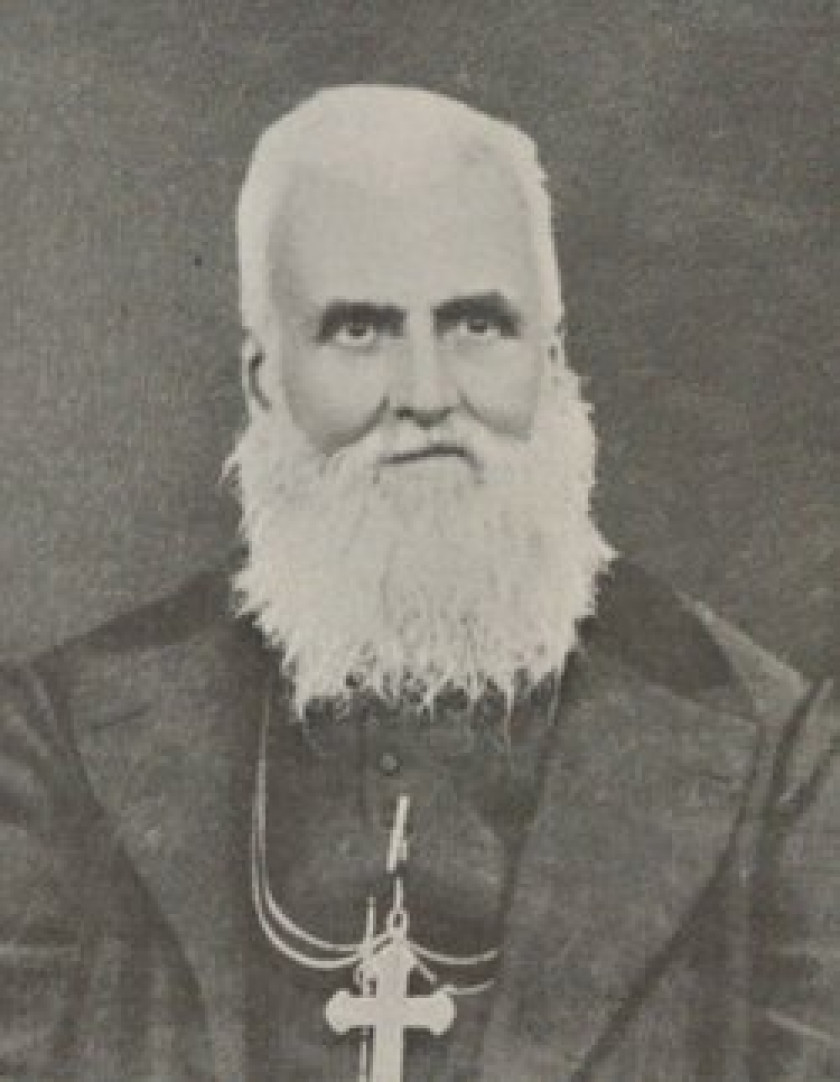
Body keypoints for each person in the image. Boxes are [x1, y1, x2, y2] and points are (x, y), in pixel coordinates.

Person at [0, 84, 836, 1082]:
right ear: (265, 378)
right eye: (362, 330)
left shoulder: (781, 759)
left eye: (478, 324)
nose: (430, 394)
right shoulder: (58, 740)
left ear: (552, 357)